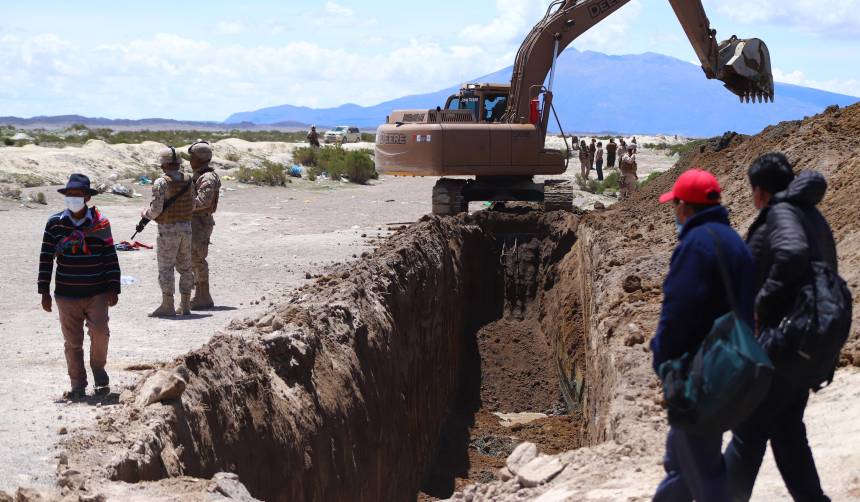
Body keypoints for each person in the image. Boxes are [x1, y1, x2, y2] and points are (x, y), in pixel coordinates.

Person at [724, 153, 834, 502]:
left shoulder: (782, 215)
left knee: (747, 432)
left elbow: (791, 255)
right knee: (787, 432)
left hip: (778, 348)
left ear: (760, 191)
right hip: (802, 350)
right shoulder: (811, 217)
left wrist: (762, 304)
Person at [651, 169, 756, 502]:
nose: (673, 212)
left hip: (699, 373)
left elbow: (678, 312)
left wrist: (662, 361)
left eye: (674, 205)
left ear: (684, 207)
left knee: (705, 472)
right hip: (730, 366)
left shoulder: (695, 246)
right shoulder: (734, 241)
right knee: (681, 463)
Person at [38, 174, 121, 400]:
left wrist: (114, 286)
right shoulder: (55, 224)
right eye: (69, 195)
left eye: (77, 195)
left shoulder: (101, 223)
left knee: (100, 333)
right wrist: (43, 290)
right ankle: (77, 385)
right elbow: (46, 258)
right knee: (72, 343)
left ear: (86, 197)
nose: (73, 198)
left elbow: (110, 256)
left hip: (97, 292)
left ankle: (98, 369)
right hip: (66, 294)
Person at [142, 146, 194, 317]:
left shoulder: (161, 182)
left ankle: (167, 305)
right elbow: (193, 205)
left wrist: (145, 214)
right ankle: (185, 305)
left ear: (163, 165)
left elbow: (156, 210)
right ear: (178, 163)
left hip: (168, 230)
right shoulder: (188, 179)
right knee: (186, 267)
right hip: (186, 228)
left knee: (166, 268)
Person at [188, 140, 221, 310]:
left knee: (197, 258)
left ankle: (203, 295)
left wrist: (182, 204)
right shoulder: (200, 175)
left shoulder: (207, 177)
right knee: (193, 258)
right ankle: (200, 294)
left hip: (200, 221)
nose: (189, 160)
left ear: (200, 158)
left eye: (192, 157)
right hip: (196, 220)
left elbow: (204, 201)